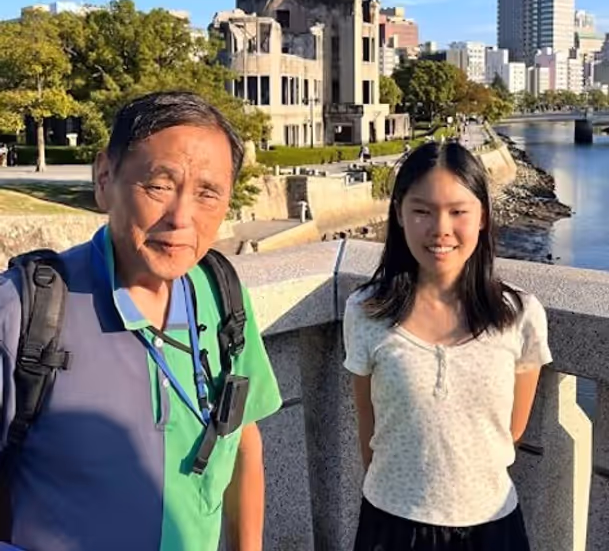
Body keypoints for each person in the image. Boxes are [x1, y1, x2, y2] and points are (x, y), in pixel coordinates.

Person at [0, 91, 283, 551]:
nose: (181, 219)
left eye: (208, 193)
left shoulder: (222, 296)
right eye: (159, 186)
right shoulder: (23, 311)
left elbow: (243, 437)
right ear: (105, 177)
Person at [343, 141, 551, 551]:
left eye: (458, 212)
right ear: (400, 213)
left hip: (491, 522)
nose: (440, 228)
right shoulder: (366, 312)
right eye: (422, 210)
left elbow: (511, 429)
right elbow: (370, 426)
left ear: (483, 218)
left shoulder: (520, 315)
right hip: (391, 524)